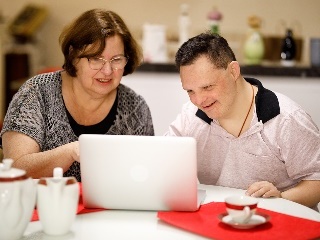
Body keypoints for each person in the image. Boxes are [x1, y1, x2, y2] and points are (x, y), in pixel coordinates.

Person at [165, 32, 320, 209]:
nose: (199, 101)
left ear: (233, 71)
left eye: (207, 87)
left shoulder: (286, 119)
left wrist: (281, 198)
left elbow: (317, 180)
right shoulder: (191, 116)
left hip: (281, 224)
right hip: (219, 221)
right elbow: (163, 158)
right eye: (190, 91)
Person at [0, 9, 154, 182]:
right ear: (73, 56)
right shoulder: (36, 93)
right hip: (42, 206)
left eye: (116, 59)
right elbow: (16, 169)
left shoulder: (135, 107)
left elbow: (145, 174)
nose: (108, 70)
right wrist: (71, 152)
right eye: (96, 59)